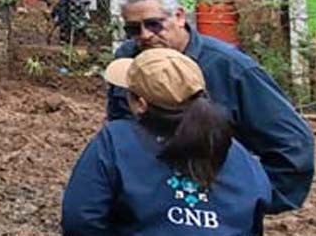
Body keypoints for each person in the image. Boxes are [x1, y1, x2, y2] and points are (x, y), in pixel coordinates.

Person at [107, 0, 314, 214]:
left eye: (154, 24)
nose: (144, 35)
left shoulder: (231, 68)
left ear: (179, 16)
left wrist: (249, 200)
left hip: (211, 202)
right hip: (145, 203)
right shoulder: (128, 60)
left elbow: (292, 145)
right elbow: (120, 126)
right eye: (133, 29)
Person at [62, 48, 272, 235]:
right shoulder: (239, 155)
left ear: (141, 105)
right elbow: (255, 217)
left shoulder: (116, 141)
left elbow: (80, 218)